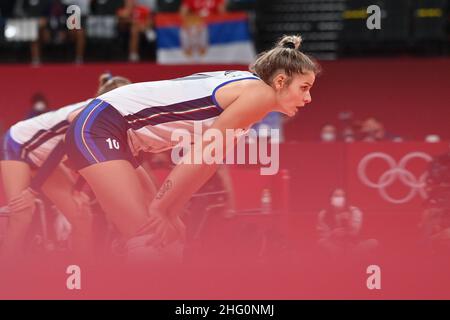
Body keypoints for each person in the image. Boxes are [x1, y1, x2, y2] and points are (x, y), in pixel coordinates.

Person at [62, 34, 320, 259]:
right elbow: (203, 153)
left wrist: (171, 210)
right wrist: (162, 208)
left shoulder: (250, 92)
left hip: (114, 133)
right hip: (100, 127)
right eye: (304, 88)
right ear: (280, 81)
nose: (308, 98)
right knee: (147, 237)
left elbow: (208, 162)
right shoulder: (259, 95)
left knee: (170, 238)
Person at [0, 73, 131, 261]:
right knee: (22, 214)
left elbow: (93, 157)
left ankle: (80, 277)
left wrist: (77, 189)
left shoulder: (108, 117)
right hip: (17, 144)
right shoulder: (88, 111)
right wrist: (33, 190)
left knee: (82, 216)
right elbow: (61, 147)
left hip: (43, 156)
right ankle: (7, 274)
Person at [317, 188, 378, 258]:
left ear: (345, 199)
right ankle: (343, 257)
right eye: (336, 196)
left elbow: (355, 231)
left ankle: (351, 256)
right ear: (330, 198)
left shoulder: (354, 211)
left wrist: (347, 226)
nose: (339, 199)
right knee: (321, 242)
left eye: (341, 196)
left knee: (373, 242)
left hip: (353, 244)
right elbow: (323, 234)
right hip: (334, 244)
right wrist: (333, 234)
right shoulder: (323, 214)